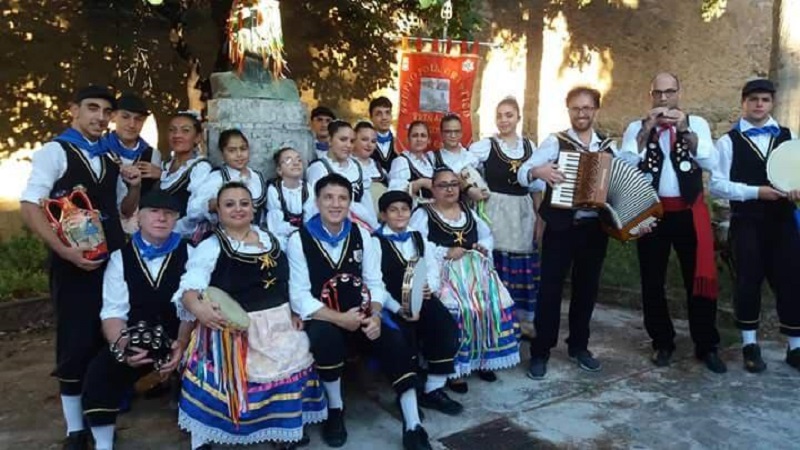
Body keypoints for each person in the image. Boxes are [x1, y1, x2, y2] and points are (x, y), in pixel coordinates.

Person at [19, 85, 142, 449]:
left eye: (106, 111)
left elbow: (123, 210)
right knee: (75, 342)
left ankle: (100, 418)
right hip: (72, 264)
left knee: (109, 338)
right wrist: (65, 252)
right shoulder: (55, 151)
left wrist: (134, 187)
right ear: (73, 110)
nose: (100, 117)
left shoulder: (109, 157)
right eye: (92, 108)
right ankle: (75, 430)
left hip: (112, 262)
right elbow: (30, 205)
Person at [174, 182, 327, 450]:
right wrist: (198, 309)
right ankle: (204, 435)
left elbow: (287, 280)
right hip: (236, 329)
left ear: (254, 208)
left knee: (289, 363)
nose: (238, 209)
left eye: (244, 203)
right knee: (228, 375)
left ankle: (281, 431)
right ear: (218, 211)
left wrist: (294, 309)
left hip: (279, 322)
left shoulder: (273, 239)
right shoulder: (211, 247)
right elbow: (190, 287)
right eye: (229, 204)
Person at [287, 174, 431, 450]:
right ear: (317, 201)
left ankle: (413, 424)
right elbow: (299, 296)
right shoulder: (299, 239)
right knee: (325, 340)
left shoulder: (362, 235)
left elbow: (375, 283)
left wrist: (375, 314)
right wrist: (340, 318)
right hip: (325, 316)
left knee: (394, 338)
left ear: (350, 203)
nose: (336, 204)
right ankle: (335, 410)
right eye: (328, 197)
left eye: (342, 198)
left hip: (363, 313)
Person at [519, 87, 632, 378]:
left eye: (587, 108)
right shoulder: (555, 142)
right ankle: (541, 351)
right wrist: (539, 172)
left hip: (594, 229)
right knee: (550, 290)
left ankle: (579, 346)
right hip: (560, 228)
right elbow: (522, 172)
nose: (581, 113)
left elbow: (618, 183)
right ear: (568, 110)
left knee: (587, 289)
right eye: (576, 108)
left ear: (595, 110)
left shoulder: (608, 147)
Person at [620, 72, 725, 374]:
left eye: (669, 92)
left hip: (688, 212)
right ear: (651, 95)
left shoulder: (697, 124)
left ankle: (706, 344)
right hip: (651, 213)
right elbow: (625, 163)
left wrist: (684, 130)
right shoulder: (636, 127)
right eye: (658, 93)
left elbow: (710, 162)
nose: (664, 98)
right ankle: (662, 341)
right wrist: (646, 130)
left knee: (698, 278)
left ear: (679, 92)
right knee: (652, 279)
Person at [81, 190, 193, 450]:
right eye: (154, 211)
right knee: (100, 372)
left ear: (176, 219)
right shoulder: (120, 257)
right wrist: (123, 347)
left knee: (211, 366)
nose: (161, 218)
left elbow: (193, 307)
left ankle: (203, 436)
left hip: (182, 337)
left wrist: (182, 344)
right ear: (138, 218)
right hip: (137, 338)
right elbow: (113, 313)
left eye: (168, 213)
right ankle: (103, 443)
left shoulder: (191, 253)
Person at [710, 78, 800, 373]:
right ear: (744, 103)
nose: (759, 105)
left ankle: (795, 347)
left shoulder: (789, 137)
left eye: (765, 99)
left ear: (772, 103)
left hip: (783, 221)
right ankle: (750, 345)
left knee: (791, 280)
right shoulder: (728, 142)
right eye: (753, 99)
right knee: (748, 280)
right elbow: (717, 185)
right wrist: (755, 192)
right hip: (747, 221)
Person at [409, 168, 520, 393]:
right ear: (433, 189)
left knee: (489, 306)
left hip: (474, 271)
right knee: (459, 310)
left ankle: (483, 360)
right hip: (443, 273)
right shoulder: (423, 214)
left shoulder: (468, 211)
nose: (449, 189)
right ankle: (455, 370)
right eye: (443, 185)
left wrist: (482, 246)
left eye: (453, 184)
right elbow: (416, 243)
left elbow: (487, 235)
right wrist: (445, 251)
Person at [373, 190, 463, 416]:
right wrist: (397, 307)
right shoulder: (374, 242)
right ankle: (406, 395)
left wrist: (427, 287)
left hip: (420, 297)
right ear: (383, 215)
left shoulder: (417, 236)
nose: (400, 214)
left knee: (445, 327)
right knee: (403, 340)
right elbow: (374, 282)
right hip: (391, 302)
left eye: (404, 209)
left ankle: (433, 389)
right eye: (393, 210)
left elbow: (431, 267)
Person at [468, 97, 540, 333]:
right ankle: (496, 321)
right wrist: (473, 188)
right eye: (499, 115)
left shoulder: (530, 147)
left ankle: (520, 322)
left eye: (509, 115)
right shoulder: (486, 146)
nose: (503, 120)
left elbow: (536, 188)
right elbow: (463, 168)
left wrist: (539, 218)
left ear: (518, 117)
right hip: (495, 211)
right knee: (496, 261)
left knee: (521, 263)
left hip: (522, 213)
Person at [186, 129, 267, 228]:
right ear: (222, 153)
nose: (239, 154)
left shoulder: (257, 177)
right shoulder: (217, 178)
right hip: (226, 233)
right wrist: (212, 205)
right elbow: (192, 212)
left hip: (255, 232)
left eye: (243, 149)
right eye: (232, 150)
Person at [306, 120, 379, 230]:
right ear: (330, 140)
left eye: (352, 141)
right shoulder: (319, 168)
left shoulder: (357, 166)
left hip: (361, 225)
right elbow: (313, 205)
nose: (348, 145)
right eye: (343, 139)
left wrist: (373, 225)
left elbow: (366, 201)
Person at [159, 112, 213, 240]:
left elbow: (197, 214)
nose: (177, 135)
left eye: (185, 131)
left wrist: (169, 231)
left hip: (182, 240)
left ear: (197, 137)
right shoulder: (163, 165)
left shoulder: (200, 168)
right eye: (172, 130)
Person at [101, 93, 162, 194]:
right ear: (113, 117)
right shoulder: (99, 148)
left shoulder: (153, 155)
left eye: (138, 119)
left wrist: (161, 177)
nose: (132, 125)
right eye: (125, 117)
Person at [264, 147, 316, 246]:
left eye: (299, 160)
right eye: (288, 160)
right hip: (281, 236)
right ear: (279, 170)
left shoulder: (307, 189)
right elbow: (275, 225)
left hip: (302, 235)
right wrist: (293, 232)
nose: (296, 163)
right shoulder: (274, 190)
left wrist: (302, 234)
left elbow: (310, 217)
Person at [388, 121, 435, 203]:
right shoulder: (401, 162)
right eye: (415, 135)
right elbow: (396, 193)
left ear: (428, 140)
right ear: (408, 139)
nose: (419, 139)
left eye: (423, 136)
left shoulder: (430, 160)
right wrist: (420, 183)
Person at [369, 96, 399, 172]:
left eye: (387, 113)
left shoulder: (399, 143)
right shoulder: (365, 143)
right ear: (371, 118)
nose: (384, 117)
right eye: (379, 114)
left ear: (391, 116)